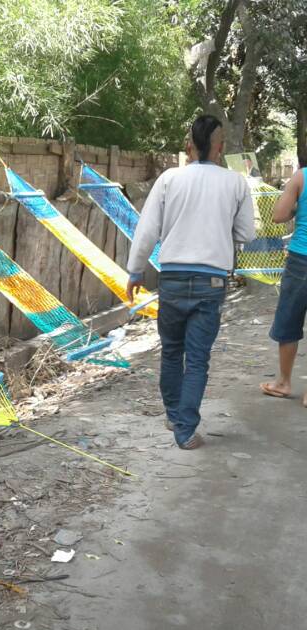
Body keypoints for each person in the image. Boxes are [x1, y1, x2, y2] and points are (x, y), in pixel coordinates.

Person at [126, 114, 256, 450]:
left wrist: (135, 271)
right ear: (218, 147)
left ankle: (173, 415)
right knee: (197, 358)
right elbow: (246, 233)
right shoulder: (236, 183)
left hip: (171, 277)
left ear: (189, 146)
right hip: (211, 282)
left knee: (171, 351)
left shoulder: (169, 179)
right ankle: (185, 430)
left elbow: (147, 231)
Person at [260, 156, 307, 406]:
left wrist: (298, 207)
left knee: (290, 317)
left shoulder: (301, 176)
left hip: (301, 258)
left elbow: (279, 216)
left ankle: (283, 382)